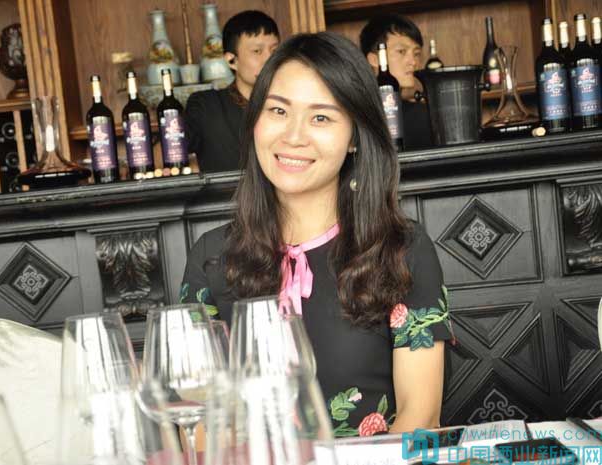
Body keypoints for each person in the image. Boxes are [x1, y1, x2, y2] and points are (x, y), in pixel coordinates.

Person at [179, 32, 454, 436]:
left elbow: (421, 417)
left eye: (321, 117)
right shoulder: (212, 255)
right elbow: (201, 425)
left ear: (355, 136)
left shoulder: (400, 248)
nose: (293, 136)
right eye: (278, 110)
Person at [185, 10, 279, 172]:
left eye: (275, 51)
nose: (269, 59)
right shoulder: (206, 106)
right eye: (257, 51)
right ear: (231, 60)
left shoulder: (292, 105)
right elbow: (170, 147)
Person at [360, 14, 433, 150]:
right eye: (401, 51)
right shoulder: (359, 116)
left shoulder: (422, 113)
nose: (413, 62)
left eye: (416, 53)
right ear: (375, 59)